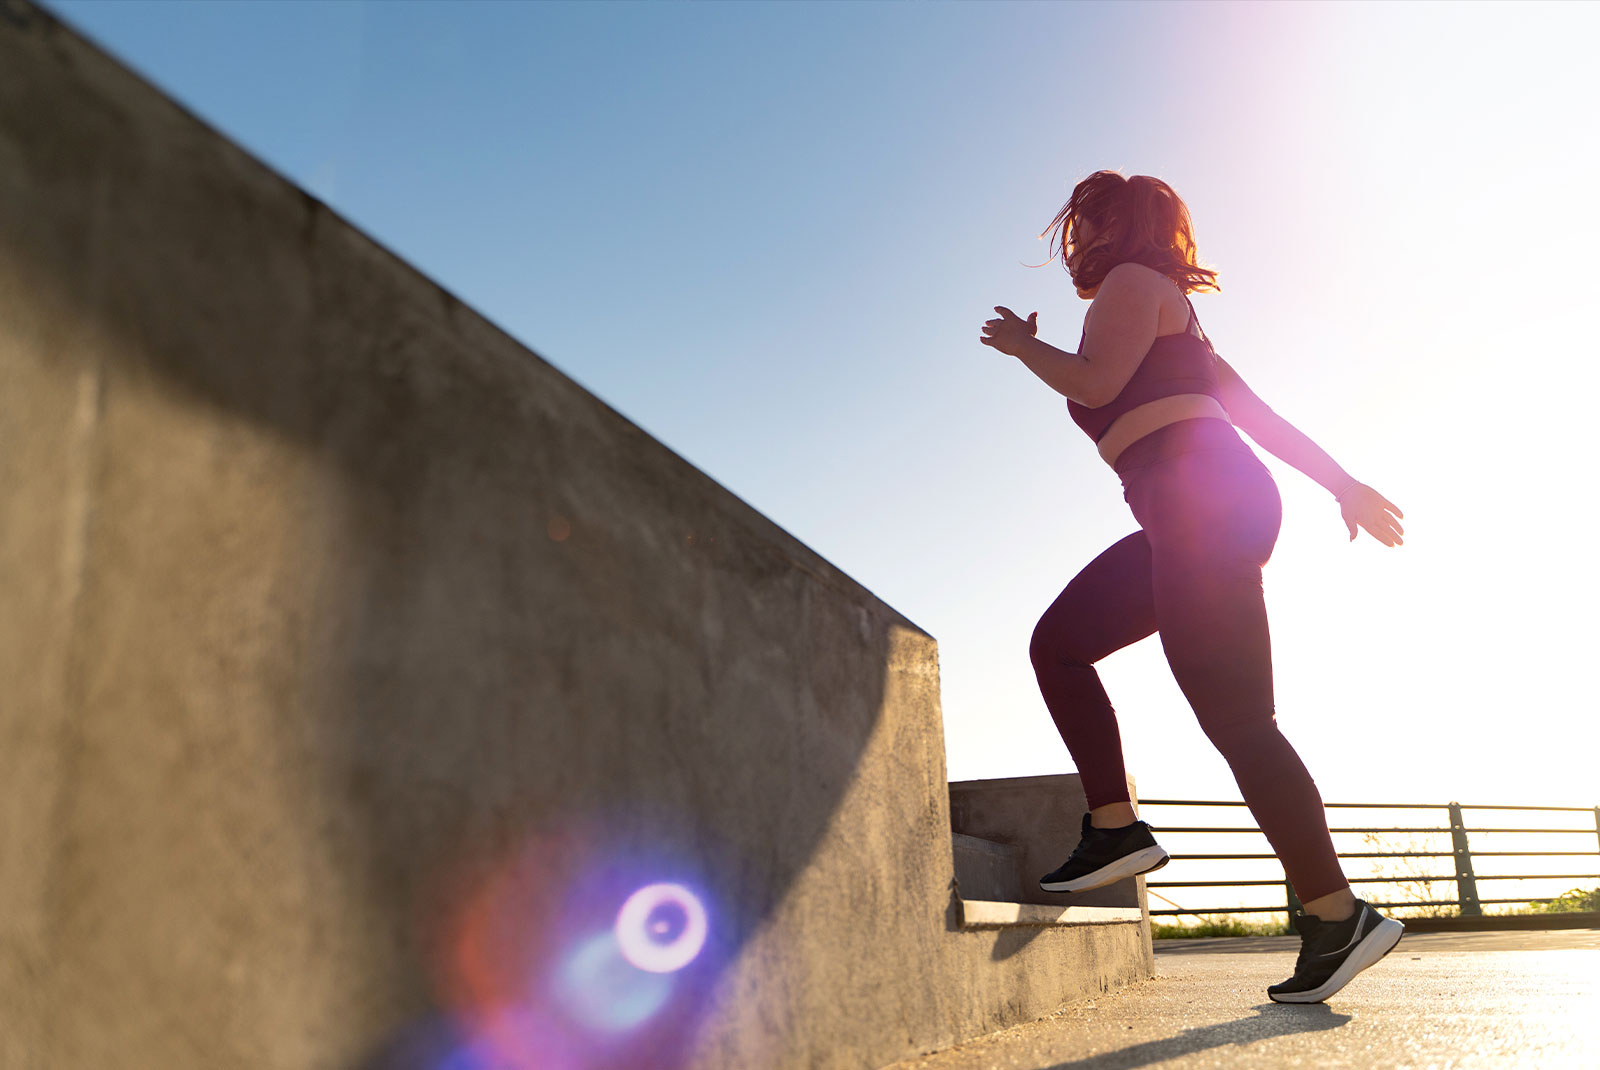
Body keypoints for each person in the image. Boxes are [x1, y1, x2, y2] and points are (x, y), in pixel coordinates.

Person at [979, 170, 1405, 1003]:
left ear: (1124, 230)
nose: (1079, 243)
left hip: (1199, 506)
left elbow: (1097, 384)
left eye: (1091, 225)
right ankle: (1117, 827)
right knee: (1061, 646)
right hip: (1199, 511)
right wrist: (1341, 484)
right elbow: (1261, 418)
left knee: (1240, 720)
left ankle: (1334, 912)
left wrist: (1027, 350)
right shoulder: (1178, 319)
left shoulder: (1135, 287)